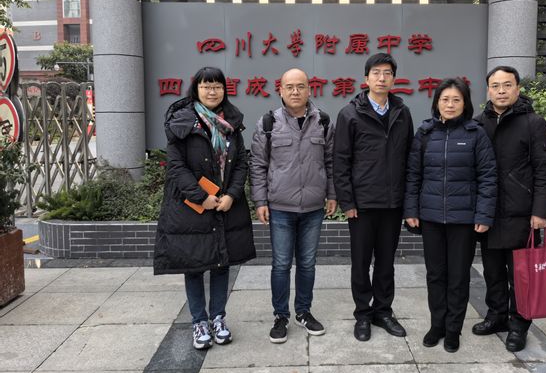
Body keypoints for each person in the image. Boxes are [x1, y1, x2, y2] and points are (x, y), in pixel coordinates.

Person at [154, 66, 256, 350]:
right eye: (206, 86)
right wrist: (201, 196)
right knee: (194, 266)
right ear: (196, 89)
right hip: (192, 208)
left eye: (217, 86)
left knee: (222, 264)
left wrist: (232, 194)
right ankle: (199, 321)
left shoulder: (231, 122)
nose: (212, 91)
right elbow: (176, 167)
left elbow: (241, 162)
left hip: (225, 206)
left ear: (225, 89)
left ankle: (218, 318)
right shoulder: (182, 122)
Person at [404, 78, 497, 353]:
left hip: (463, 220)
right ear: (437, 103)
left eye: (456, 99)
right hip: (431, 218)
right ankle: (437, 325)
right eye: (445, 99)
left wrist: (484, 215)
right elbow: (413, 175)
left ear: (465, 104)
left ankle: (453, 329)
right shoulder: (425, 133)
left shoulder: (476, 134)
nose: (450, 104)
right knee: (435, 275)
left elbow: (488, 177)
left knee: (458, 276)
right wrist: (411, 210)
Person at [250, 68, 337, 344]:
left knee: (308, 264)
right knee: (281, 265)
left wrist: (332, 195)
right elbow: (258, 165)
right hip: (280, 207)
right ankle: (280, 316)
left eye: (300, 86)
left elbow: (331, 162)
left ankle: (303, 312)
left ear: (310, 89)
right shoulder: (268, 123)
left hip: (313, 207)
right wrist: (260, 200)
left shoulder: (323, 121)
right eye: (289, 87)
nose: (295, 91)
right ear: (281, 90)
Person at [333, 52, 414, 342]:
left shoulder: (402, 113)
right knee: (361, 262)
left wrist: (408, 202)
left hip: (392, 203)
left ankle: (383, 311)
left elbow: (409, 159)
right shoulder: (349, 114)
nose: (382, 78)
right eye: (376, 73)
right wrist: (347, 202)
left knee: (386, 263)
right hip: (363, 205)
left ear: (393, 79)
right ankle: (363, 314)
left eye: (387, 73)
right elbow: (340, 161)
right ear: (366, 78)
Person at [472, 65, 546, 352]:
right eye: (495, 86)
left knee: (521, 276)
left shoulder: (533, 123)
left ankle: (519, 324)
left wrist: (540, 211)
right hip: (490, 213)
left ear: (517, 88)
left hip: (522, 214)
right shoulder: (478, 123)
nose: (501, 91)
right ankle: (496, 316)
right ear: (488, 91)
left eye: (507, 85)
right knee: (492, 271)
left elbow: (544, 171)